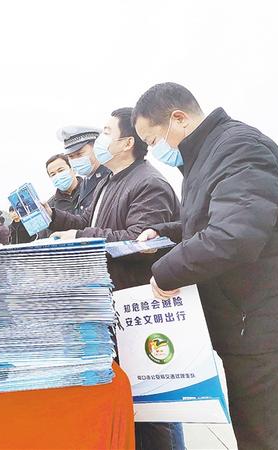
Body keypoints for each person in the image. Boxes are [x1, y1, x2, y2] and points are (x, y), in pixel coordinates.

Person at [133, 82, 278, 450]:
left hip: (268, 329)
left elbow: (235, 235)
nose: (155, 152)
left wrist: (166, 271)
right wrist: (165, 231)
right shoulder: (206, 156)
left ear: (178, 119)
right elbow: (209, 220)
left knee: (266, 440)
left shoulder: (240, 147)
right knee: (253, 435)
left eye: (152, 141)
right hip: (247, 325)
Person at [48, 108, 183, 450]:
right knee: (132, 404)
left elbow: (140, 241)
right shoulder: (110, 181)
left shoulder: (148, 183)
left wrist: (80, 238)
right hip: (114, 306)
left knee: (155, 409)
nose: (101, 140)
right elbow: (91, 223)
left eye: (106, 132)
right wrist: (55, 218)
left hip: (139, 305)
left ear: (126, 143)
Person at [57, 126, 110, 212]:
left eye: (79, 154)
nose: (76, 160)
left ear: (96, 148)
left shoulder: (109, 177)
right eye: (71, 156)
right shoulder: (85, 182)